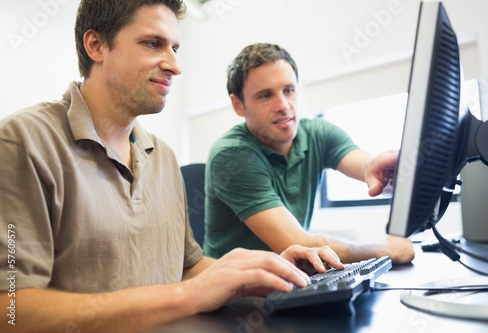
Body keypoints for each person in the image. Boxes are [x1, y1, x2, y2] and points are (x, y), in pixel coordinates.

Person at [0, 2, 344, 332]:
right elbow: (10, 311)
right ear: (96, 45)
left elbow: (188, 268)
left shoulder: (161, 156)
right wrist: (186, 296)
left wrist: (263, 272)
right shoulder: (25, 141)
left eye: (175, 48)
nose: (175, 65)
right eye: (153, 44)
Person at [203, 43, 415, 264]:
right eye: (266, 95)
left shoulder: (317, 133)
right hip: (239, 294)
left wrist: (377, 169)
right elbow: (296, 243)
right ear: (238, 105)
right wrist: (385, 250)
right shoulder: (232, 155)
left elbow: (365, 165)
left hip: (290, 280)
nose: (284, 105)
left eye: (289, 90)